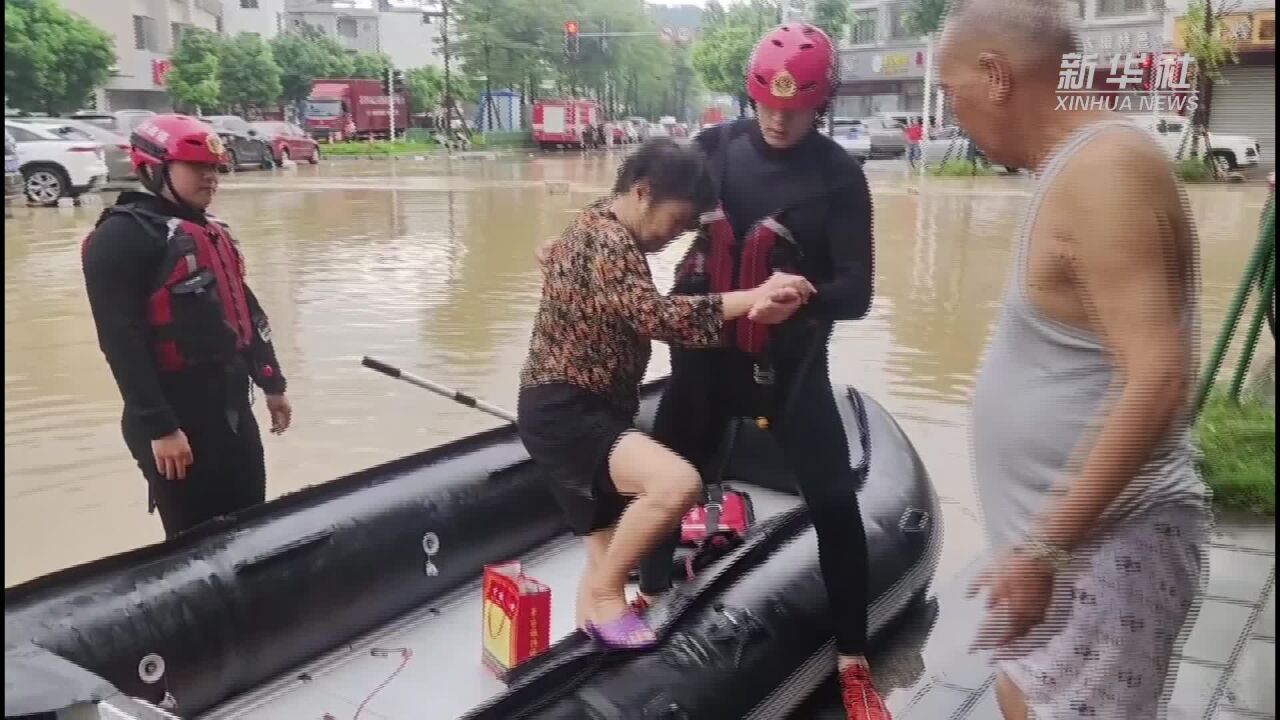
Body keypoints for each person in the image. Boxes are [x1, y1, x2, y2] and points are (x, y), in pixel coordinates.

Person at [938, 3, 1211, 719]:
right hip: (1064, 555)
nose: (952, 114)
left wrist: (1045, 554)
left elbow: (1159, 378)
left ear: (995, 75)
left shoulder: (1106, 169)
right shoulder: (1073, 167)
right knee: (1018, 694)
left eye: (950, 91)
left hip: (1104, 548)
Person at [634, 23, 887, 720]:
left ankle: (853, 662)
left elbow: (859, 291)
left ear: (822, 102)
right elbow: (641, 210)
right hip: (704, 360)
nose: (778, 117)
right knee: (669, 477)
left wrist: (807, 298)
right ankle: (648, 599)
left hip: (792, 367)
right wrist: (582, 241)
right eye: (766, 103)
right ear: (749, 95)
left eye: (796, 106)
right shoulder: (713, 150)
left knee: (835, 504)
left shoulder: (839, 177)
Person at [518, 139, 814, 649]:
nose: (675, 235)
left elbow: (582, 276)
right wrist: (752, 297)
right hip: (570, 409)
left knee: (603, 551)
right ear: (642, 193)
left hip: (561, 406)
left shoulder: (591, 223)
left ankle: (588, 656)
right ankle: (612, 595)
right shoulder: (611, 241)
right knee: (678, 484)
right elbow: (654, 317)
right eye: (675, 221)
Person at [82, 114, 293, 539]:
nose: (210, 178)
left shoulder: (213, 233)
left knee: (250, 521)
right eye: (197, 168)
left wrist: (272, 383)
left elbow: (246, 310)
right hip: (175, 417)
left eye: (214, 168)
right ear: (154, 167)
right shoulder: (120, 239)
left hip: (232, 408)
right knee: (192, 539)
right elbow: (120, 341)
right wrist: (161, 427)